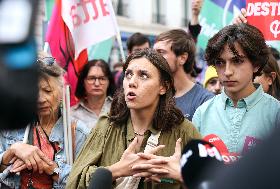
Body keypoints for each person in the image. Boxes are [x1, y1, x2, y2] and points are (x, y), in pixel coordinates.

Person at [66, 49, 201, 189]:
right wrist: (116, 171)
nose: (132, 82)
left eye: (143, 75)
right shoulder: (107, 125)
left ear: (163, 87)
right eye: (128, 74)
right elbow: (73, 181)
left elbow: (211, 182)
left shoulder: (184, 131)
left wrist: (181, 175)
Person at [192, 24, 280, 155]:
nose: (228, 71)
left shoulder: (277, 114)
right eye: (220, 62)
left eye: (237, 61)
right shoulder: (202, 114)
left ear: (256, 65)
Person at [0, 56, 90, 189]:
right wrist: (12, 151)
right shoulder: (12, 124)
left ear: (61, 93)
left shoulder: (78, 132)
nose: (40, 99)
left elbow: (85, 182)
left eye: (47, 91)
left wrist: (51, 168)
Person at [154, 29, 214, 121]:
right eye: (154, 52)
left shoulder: (204, 100)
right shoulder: (154, 95)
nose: (154, 57)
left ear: (182, 58)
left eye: (161, 52)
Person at [71, 59, 115, 128]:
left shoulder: (118, 109)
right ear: (83, 82)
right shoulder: (72, 114)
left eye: (102, 79)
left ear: (109, 81)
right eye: (91, 78)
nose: (97, 84)